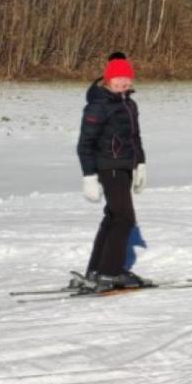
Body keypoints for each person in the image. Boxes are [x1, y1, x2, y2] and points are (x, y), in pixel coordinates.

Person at [75, 53, 148, 291]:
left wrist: (140, 164)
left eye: (127, 78)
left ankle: (96, 270)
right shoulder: (98, 105)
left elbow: (134, 137)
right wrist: (89, 177)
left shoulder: (129, 104)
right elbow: (85, 144)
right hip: (109, 167)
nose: (123, 82)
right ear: (108, 79)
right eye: (118, 78)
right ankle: (109, 272)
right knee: (125, 218)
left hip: (124, 166)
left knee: (113, 217)